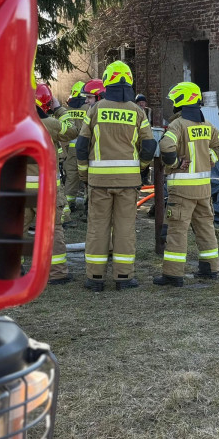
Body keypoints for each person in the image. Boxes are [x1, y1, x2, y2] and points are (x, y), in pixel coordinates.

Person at [76, 61, 157, 291]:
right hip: (128, 182)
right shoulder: (138, 112)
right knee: (124, 228)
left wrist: (84, 174)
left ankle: (95, 278)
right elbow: (149, 146)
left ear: (107, 81)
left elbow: (82, 147)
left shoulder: (95, 110)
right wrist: (140, 169)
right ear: (129, 82)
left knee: (97, 228)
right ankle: (124, 277)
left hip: (99, 181)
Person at [153, 81, 219, 287]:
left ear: (181, 101)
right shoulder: (206, 125)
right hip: (204, 190)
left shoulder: (178, 125)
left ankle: (173, 274)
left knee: (177, 231)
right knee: (205, 228)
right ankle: (210, 269)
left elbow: (165, 146)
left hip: (182, 191)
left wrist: (176, 163)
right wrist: (210, 156)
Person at [24, 83, 78, 284]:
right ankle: (57, 273)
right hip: (45, 190)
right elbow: (72, 131)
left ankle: (14, 268)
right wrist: (59, 109)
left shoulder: (12, 122)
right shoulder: (51, 124)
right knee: (53, 230)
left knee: (17, 228)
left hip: (19, 189)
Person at [61, 81, 88, 213]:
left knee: (71, 176)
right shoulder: (89, 109)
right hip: (86, 148)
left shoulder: (66, 110)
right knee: (89, 177)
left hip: (70, 149)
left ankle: (68, 205)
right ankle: (88, 206)